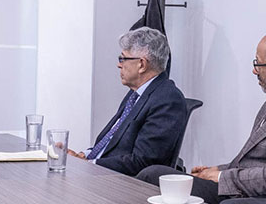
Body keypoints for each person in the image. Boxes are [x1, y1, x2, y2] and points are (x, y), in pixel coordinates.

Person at [137, 28, 266, 204]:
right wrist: (216, 170)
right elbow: (253, 160)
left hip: (263, 199)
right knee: (155, 174)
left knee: (153, 176)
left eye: (258, 64)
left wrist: (221, 176)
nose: (254, 70)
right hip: (243, 189)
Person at [68, 27, 185, 176]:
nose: (119, 64)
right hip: (100, 172)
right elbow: (112, 143)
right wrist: (83, 156)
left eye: (123, 59)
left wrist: (89, 165)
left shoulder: (167, 100)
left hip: (120, 183)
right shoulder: (136, 93)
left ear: (142, 64)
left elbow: (143, 161)